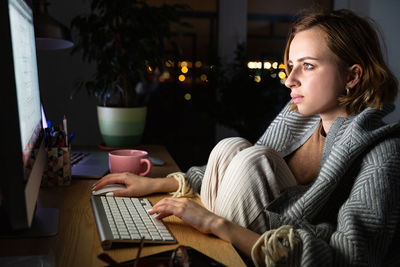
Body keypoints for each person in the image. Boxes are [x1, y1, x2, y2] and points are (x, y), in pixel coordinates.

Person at [93, 9, 400, 266]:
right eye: (291, 66)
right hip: (250, 228)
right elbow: (239, 171)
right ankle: (203, 253)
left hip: (280, 251)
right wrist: (159, 183)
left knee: (255, 158)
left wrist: (215, 224)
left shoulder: (383, 151)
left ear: (352, 76)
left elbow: (352, 259)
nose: (290, 80)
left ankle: (210, 255)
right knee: (233, 147)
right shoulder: (299, 117)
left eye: (308, 66)